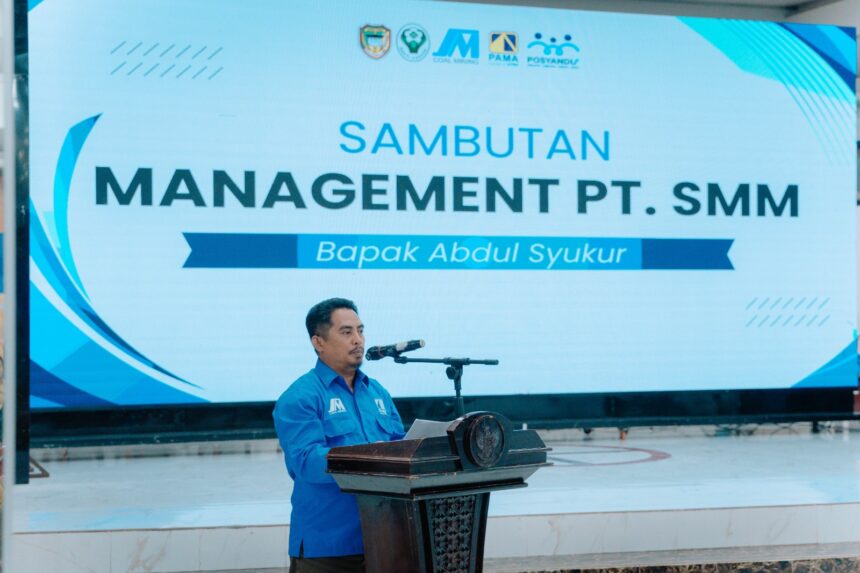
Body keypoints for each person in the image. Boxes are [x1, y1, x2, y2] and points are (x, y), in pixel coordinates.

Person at [273, 298, 405, 573]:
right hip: (328, 544)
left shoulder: (377, 392)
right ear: (318, 342)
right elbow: (306, 461)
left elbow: (400, 447)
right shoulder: (300, 397)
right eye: (346, 332)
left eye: (360, 330)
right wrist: (369, 458)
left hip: (384, 537)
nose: (358, 340)